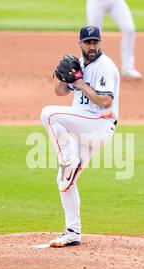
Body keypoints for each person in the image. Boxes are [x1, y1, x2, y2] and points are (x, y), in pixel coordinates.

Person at [41, 26, 120, 247]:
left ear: (100, 42)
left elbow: (106, 101)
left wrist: (80, 83)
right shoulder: (78, 63)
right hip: (83, 128)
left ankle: (68, 160)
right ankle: (72, 232)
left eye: (95, 42)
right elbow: (60, 91)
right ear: (80, 44)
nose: (92, 46)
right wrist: (60, 76)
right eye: (88, 42)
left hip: (98, 125)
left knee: (48, 114)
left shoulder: (105, 66)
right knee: (65, 181)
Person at [86, 0, 142, 79]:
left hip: (116, 2)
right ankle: (89, 67)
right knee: (92, 33)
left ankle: (128, 67)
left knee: (129, 29)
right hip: (96, 2)